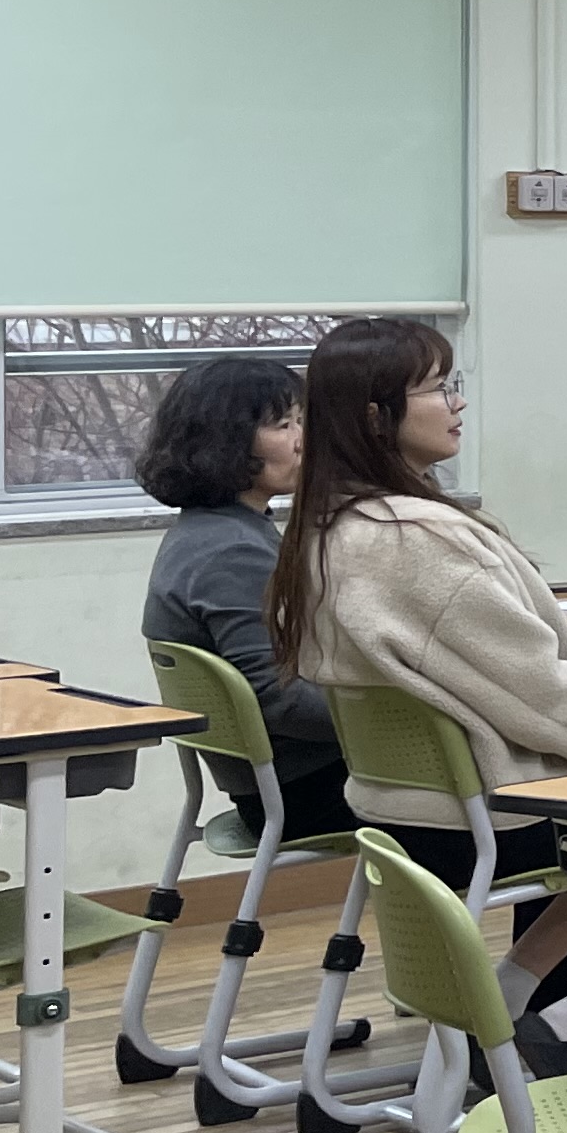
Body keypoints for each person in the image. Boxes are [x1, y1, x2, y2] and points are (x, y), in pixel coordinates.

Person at [265, 319, 567, 1074]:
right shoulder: (411, 542)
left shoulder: (327, 528)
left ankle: (512, 989)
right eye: (437, 388)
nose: (456, 404)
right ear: (378, 416)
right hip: (480, 817)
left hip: (400, 813)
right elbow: (540, 695)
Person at [135, 354, 351, 850]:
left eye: (302, 421)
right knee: (540, 800)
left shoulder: (208, 531)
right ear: (225, 442)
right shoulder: (231, 551)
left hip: (284, 783)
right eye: (282, 425)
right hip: (304, 792)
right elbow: (283, 700)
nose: (303, 439)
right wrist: (397, 718)